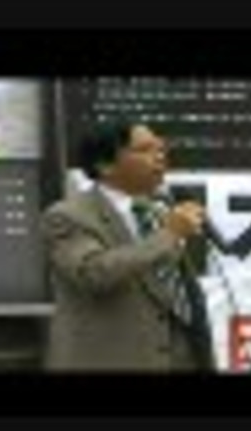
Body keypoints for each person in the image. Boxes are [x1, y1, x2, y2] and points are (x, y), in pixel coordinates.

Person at [40, 122, 215, 372]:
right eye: (144, 150)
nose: (159, 156)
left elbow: (176, 296)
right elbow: (92, 273)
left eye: (161, 149)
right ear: (105, 165)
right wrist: (169, 235)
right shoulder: (67, 216)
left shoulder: (158, 211)